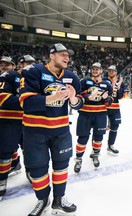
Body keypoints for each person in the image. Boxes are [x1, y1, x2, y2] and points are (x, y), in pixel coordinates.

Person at [19, 43, 83, 215]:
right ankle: (43, 200)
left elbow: (79, 103)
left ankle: (59, 199)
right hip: (35, 131)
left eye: (68, 55)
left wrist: (73, 99)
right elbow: (26, 102)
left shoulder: (71, 77)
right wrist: (52, 98)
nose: (66, 58)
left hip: (61, 130)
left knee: (61, 166)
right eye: (62, 54)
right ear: (51, 55)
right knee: (37, 168)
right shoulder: (33, 71)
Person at [74, 62, 113, 173]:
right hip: (85, 114)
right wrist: (87, 97)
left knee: (98, 137)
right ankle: (78, 159)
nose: (95, 71)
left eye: (97, 69)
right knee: (82, 137)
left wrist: (107, 99)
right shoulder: (84, 81)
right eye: (93, 69)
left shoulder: (107, 84)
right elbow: (78, 95)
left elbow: (110, 101)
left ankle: (95, 154)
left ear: (101, 71)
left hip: (100, 115)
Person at [0, 56, 23, 200]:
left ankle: (2, 181)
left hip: (14, 119)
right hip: (12, 118)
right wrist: (28, 101)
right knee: (8, 148)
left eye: (7, 64)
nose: (4, 66)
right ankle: (15, 165)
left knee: (6, 150)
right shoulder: (7, 76)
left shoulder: (12, 76)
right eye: (2, 64)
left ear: (14, 65)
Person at [104, 65, 125, 155]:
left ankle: (110, 145)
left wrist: (119, 85)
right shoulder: (104, 80)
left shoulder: (120, 82)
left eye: (113, 71)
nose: (111, 72)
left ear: (116, 72)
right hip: (104, 107)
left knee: (115, 126)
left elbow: (119, 96)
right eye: (109, 71)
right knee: (100, 128)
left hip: (115, 108)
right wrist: (112, 85)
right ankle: (95, 149)